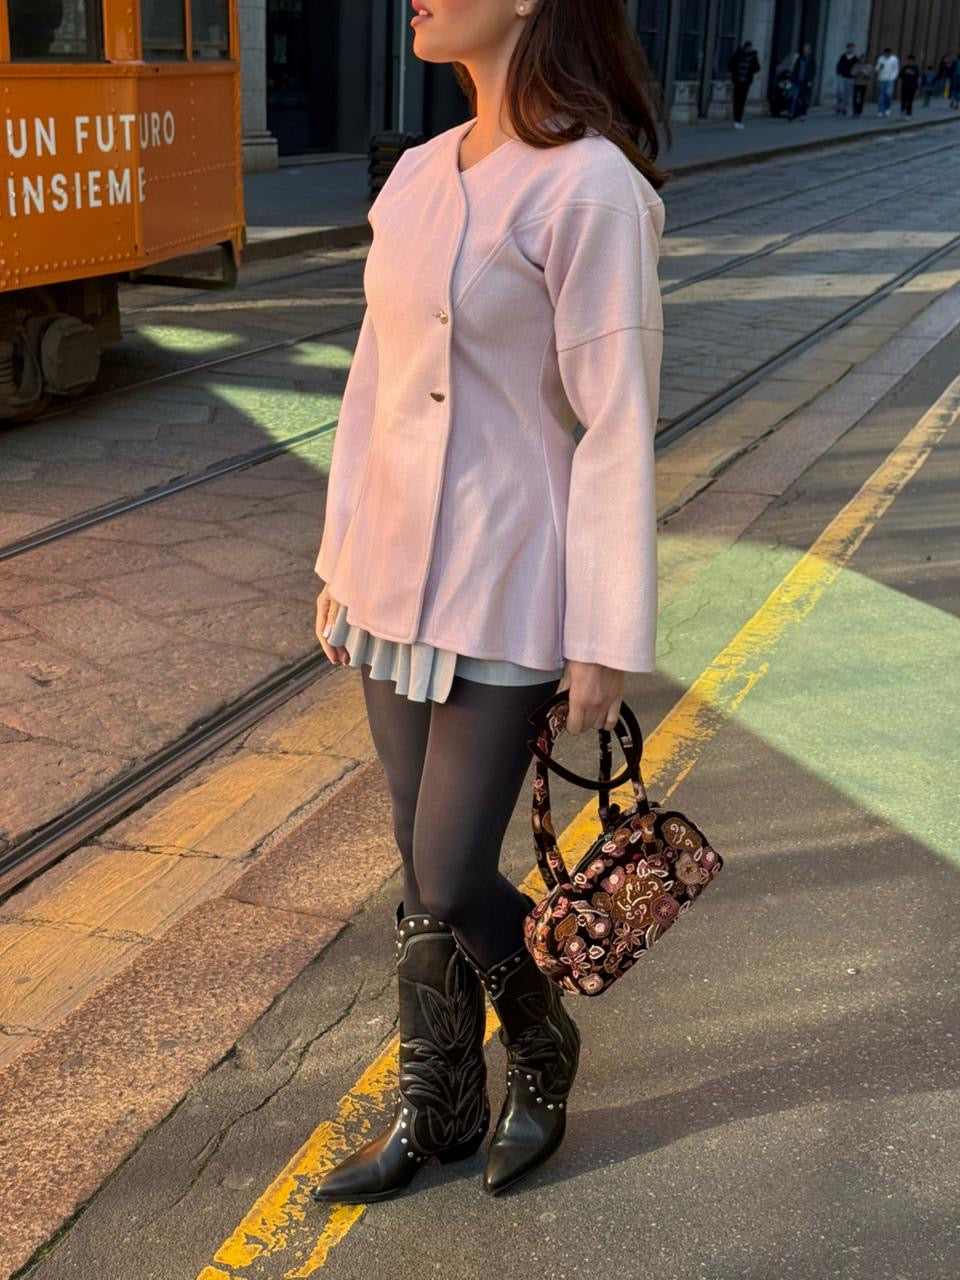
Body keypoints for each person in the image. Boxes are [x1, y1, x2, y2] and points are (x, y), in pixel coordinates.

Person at [309, 0, 667, 1204]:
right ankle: (441, 1107)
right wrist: (338, 556)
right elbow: (372, 384)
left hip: (508, 578)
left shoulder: (590, 186)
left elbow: (616, 419)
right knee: (418, 867)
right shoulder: (417, 172)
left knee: (456, 869)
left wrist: (604, 632)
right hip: (389, 574)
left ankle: (543, 1038)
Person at [729, 39, 760, 129]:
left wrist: (735, 73)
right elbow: (757, 68)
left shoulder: (737, 54)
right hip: (745, 81)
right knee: (741, 101)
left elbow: (730, 66)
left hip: (738, 80)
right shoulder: (752, 56)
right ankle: (738, 120)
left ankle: (736, 120)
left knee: (737, 100)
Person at [788, 43, 816, 121]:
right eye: (804, 50)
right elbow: (795, 69)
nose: (805, 51)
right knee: (795, 98)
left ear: (810, 51)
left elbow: (813, 71)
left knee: (804, 99)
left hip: (806, 82)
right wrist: (793, 78)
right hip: (798, 81)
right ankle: (791, 113)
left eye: (807, 50)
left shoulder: (812, 60)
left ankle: (803, 114)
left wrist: (810, 80)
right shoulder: (799, 59)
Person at [875, 47, 899, 116]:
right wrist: (879, 68)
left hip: (890, 79)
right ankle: (880, 110)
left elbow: (896, 69)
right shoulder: (880, 59)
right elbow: (876, 69)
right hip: (882, 79)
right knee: (881, 96)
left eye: (889, 53)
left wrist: (893, 77)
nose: (887, 54)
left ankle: (887, 108)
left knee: (888, 94)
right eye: (886, 53)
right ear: (884, 53)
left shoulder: (894, 59)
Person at [835, 42, 857, 115]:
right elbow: (839, 64)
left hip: (850, 77)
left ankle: (845, 108)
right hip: (842, 76)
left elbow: (856, 67)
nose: (851, 49)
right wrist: (838, 73)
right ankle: (838, 106)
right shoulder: (843, 56)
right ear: (847, 48)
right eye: (849, 48)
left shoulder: (855, 58)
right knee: (840, 91)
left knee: (847, 94)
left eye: (852, 48)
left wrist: (854, 75)